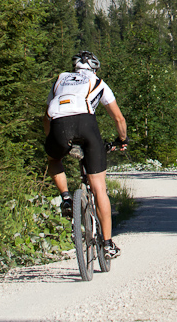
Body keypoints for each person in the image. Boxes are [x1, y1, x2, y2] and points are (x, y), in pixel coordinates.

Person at [43, 50, 128, 259]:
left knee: (53, 159)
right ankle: (107, 244)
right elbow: (118, 119)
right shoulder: (97, 82)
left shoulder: (60, 80)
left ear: (74, 68)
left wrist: (51, 139)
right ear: (94, 68)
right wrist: (122, 140)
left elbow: (46, 115)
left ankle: (65, 197)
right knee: (99, 188)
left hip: (59, 125)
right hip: (86, 124)